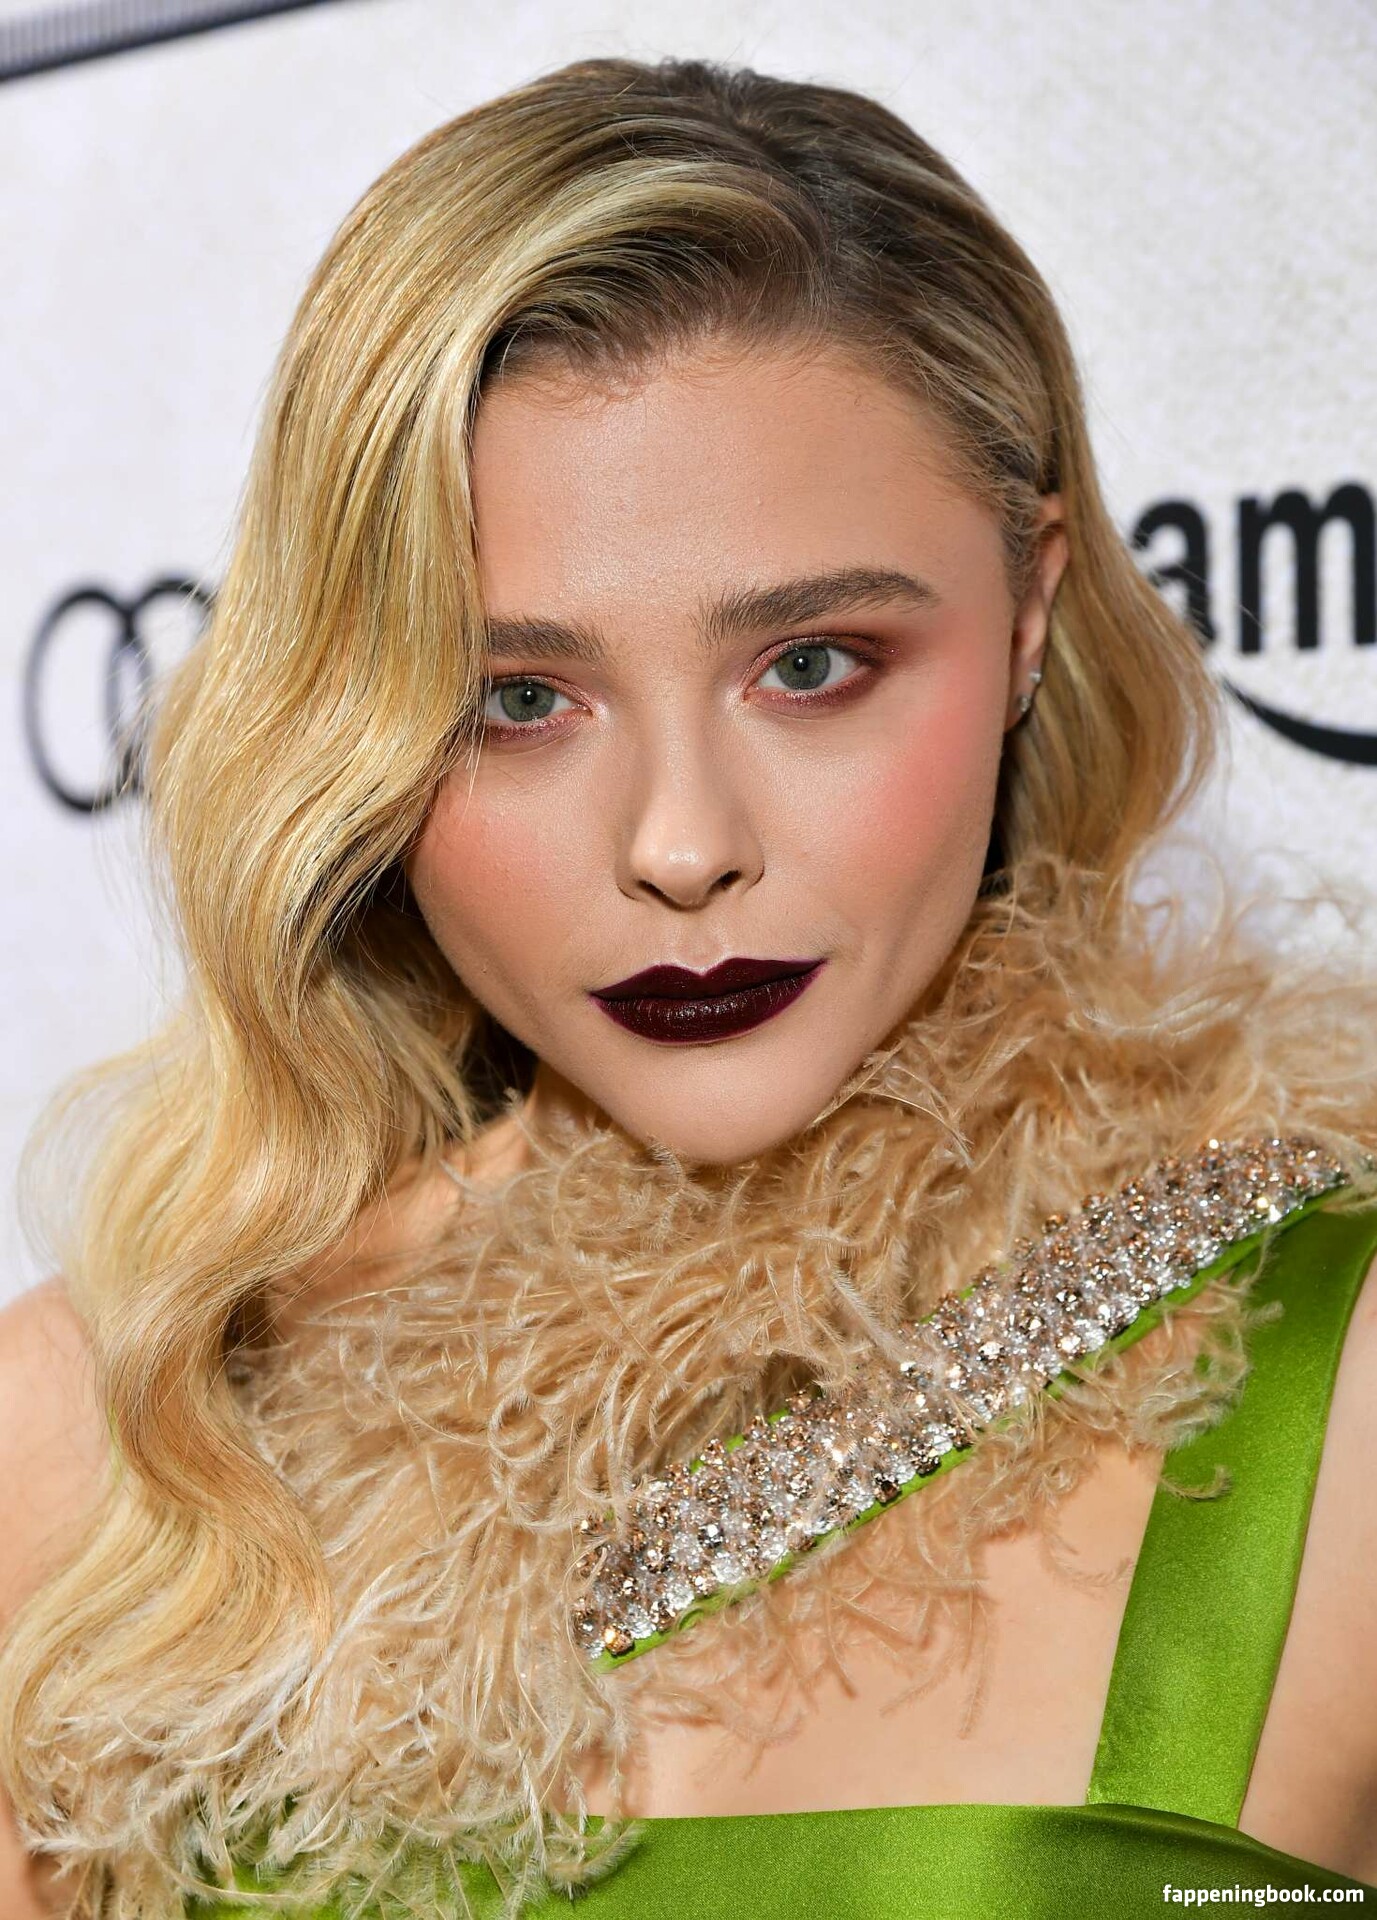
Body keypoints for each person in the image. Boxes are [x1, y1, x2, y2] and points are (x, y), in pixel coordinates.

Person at [2, 54, 1377, 1920]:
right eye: (517, 699)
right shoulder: (123, 1449)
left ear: (1029, 615)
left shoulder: (1334, 1361)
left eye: (810, 665)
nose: (676, 843)